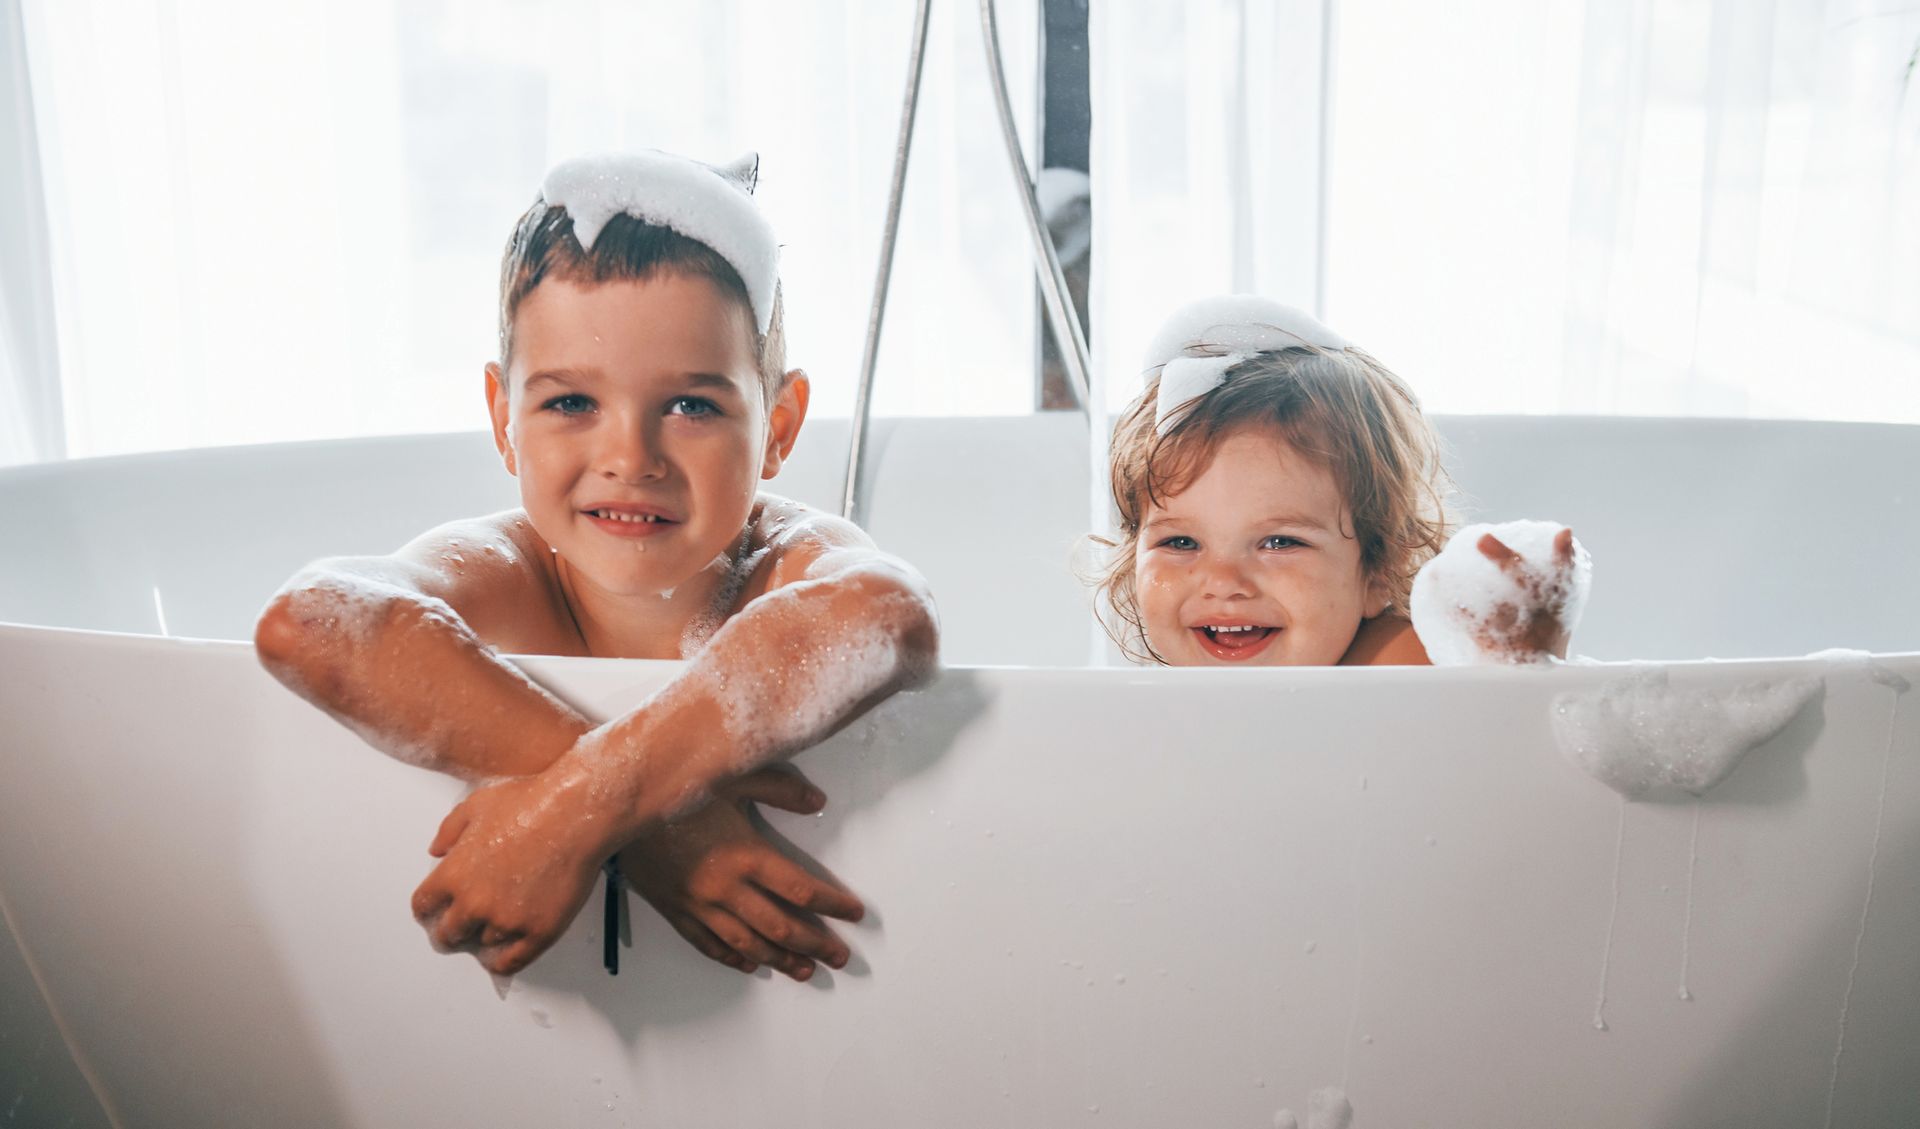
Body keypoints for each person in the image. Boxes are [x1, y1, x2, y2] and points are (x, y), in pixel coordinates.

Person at [254, 151, 939, 980]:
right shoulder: (510, 567)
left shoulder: (780, 558)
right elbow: (308, 622)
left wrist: (576, 813)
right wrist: (659, 837)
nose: (629, 455)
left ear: (780, 427)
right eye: (571, 402)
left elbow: (890, 616)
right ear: (504, 419)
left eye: (691, 405)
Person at [1092, 295, 1577, 667]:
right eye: (1181, 541)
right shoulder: (1158, 692)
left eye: (1279, 541)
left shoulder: (1395, 664)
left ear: (1379, 568)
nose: (1223, 583)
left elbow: (1496, 748)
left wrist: (1516, 663)